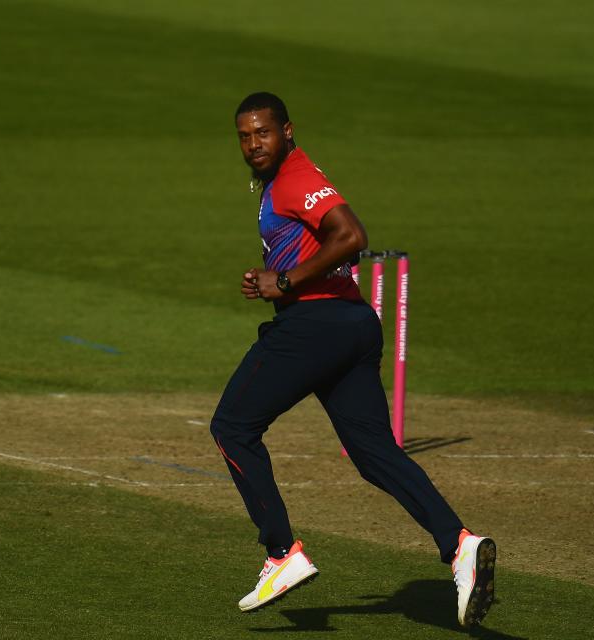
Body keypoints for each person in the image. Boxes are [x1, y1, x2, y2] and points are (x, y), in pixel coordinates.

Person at [209, 92, 495, 627]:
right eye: (244, 136)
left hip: (314, 328)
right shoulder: (286, 180)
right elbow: (312, 247)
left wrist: (288, 282)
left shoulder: (295, 177)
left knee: (232, 426)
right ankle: (460, 546)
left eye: (263, 133)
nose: (253, 145)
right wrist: (273, 278)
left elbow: (353, 236)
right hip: (351, 325)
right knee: (374, 454)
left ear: (288, 131)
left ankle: (281, 554)